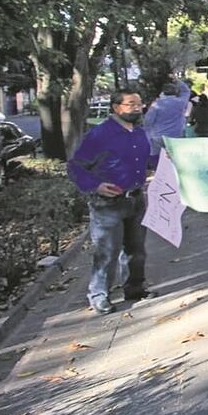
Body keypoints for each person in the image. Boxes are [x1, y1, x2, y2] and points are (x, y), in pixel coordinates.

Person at [67, 88, 153, 314]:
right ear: (116, 108)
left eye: (139, 103)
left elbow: (146, 159)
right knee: (107, 251)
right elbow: (76, 166)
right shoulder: (99, 135)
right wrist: (96, 186)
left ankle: (134, 287)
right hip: (108, 205)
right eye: (131, 104)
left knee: (136, 249)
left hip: (136, 199)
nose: (137, 108)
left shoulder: (139, 133)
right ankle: (98, 295)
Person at [144, 81, 190, 167]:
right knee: (175, 159)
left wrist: (148, 133)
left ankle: (159, 174)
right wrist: (177, 81)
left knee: (157, 158)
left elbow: (148, 121)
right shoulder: (181, 102)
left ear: (163, 92)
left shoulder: (156, 104)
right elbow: (186, 91)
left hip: (158, 136)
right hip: (176, 135)